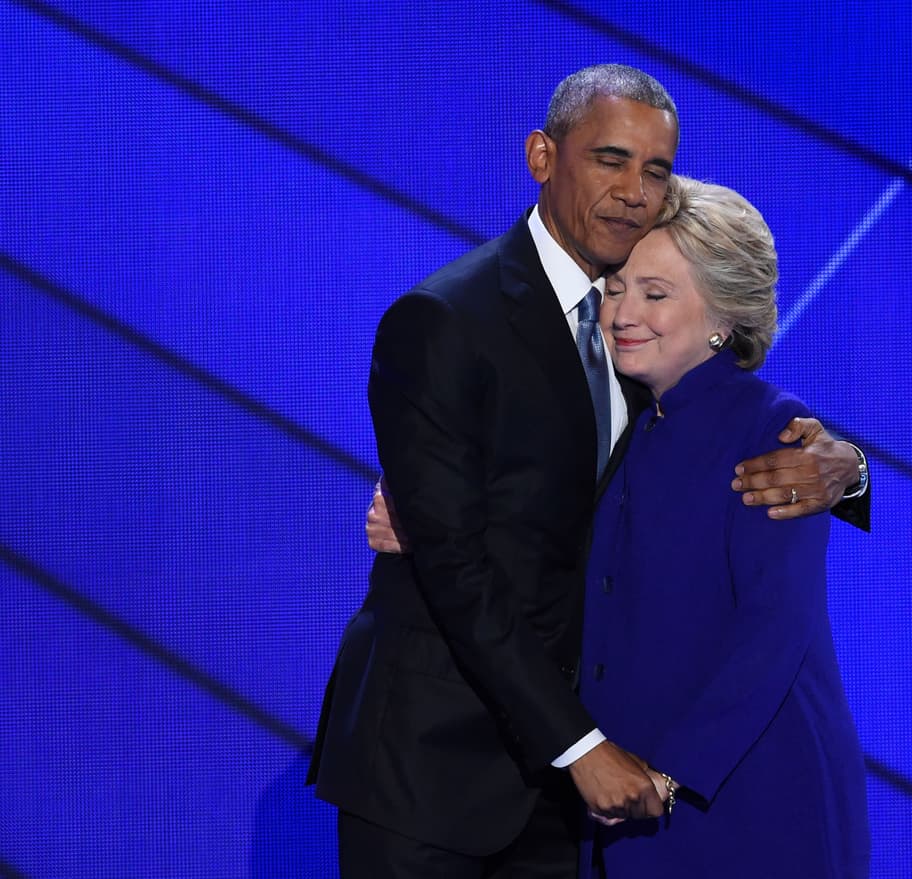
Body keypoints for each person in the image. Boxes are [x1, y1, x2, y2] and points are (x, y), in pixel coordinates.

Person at [308, 64, 868, 879]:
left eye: (656, 169)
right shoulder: (443, 320)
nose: (635, 189)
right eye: (611, 159)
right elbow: (461, 559)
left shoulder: (663, 370)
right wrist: (430, 526)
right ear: (542, 155)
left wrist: (849, 468)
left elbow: (737, 458)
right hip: (439, 774)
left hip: (599, 794)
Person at [580, 175, 870, 878]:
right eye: (617, 286)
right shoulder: (626, 415)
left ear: (723, 315)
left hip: (746, 805)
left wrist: (670, 774)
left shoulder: (772, 429)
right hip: (625, 803)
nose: (623, 311)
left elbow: (775, 627)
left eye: (656, 293)